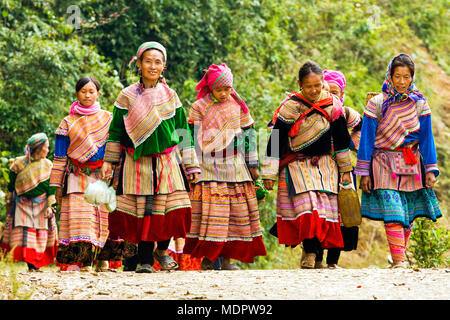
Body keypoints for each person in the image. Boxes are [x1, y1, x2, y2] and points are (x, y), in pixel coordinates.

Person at [100, 41, 201, 273]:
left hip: (166, 163)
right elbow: (115, 131)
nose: (153, 66)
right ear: (139, 64)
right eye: (148, 61)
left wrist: (191, 165)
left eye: (157, 62)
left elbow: (183, 132)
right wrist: (109, 161)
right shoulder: (126, 96)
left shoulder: (171, 96)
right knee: (143, 211)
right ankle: (145, 261)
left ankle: (162, 251)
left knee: (170, 210)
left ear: (163, 66)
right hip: (136, 163)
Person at [262, 61, 353, 269]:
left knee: (324, 211)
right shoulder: (291, 106)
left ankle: (316, 253)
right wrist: (269, 173)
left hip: (325, 164)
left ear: (323, 83)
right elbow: (276, 138)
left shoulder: (333, 105)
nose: (313, 90)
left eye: (317, 86)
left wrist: (346, 171)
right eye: (308, 86)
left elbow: (341, 140)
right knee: (308, 208)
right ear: (299, 84)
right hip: (297, 163)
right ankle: (310, 252)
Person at [355, 53, 442, 268]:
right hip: (382, 161)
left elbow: (426, 138)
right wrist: (364, 172)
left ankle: (396, 255)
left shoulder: (420, 104)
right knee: (393, 210)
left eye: (406, 77)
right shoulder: (377, 104)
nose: (402, 82)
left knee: (408, 212)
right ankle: (400, 261)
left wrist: (430, 169)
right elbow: (366, 139)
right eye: (397, 76)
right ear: (390, 76)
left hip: (410, 160)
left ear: (412, 77)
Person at [182, 63, 267, 270]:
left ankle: (228, 260)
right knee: (213, 212)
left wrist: (253, 164)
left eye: (227, 89)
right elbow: (189, 138)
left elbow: (249, 135)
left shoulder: (238, 106)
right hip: (208, 165)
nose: (223, 94)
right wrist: (190, 164)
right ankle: (210, 259)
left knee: (235, 213)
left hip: (234, 165)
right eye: (218, 89)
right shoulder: (199, 106)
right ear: (210, 88)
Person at [50, 76, 119, 272]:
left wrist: (115, 172)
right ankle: (84, 262)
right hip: (76, 178)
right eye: (83, 91)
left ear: (98, 93)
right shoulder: (67, 123)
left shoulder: (108, 118)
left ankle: (102, 260)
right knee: (82, 221)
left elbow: (115, 148)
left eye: (91, 91)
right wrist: (57, 187)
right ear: (76, 94)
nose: (87, 95)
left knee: (104, 219)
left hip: (103, 177)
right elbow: (60, 157)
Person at [311, 69, 361, 269]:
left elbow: (362, 127)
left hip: (343, 171)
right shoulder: (314, 111)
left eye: (336, 92)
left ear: (342, 94)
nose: (332, 96)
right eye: (328, 91)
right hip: (319, 170)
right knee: (322, 211)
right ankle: (316, 257)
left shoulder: (346, 112)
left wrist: (350, 143)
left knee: (343, 212)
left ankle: (333, 261)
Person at [1, 133, 58, 271]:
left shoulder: (48, 165)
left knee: (40, 234)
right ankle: (30, 264)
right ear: (38, 148)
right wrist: (9, 202)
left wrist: (51, 206)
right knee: (25, 234)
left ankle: (36, 264)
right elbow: (11, 186)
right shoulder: (18, 164)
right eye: (46, 147)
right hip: (22, 204)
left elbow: (51, 188)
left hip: (42, 205)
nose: (48, 150)